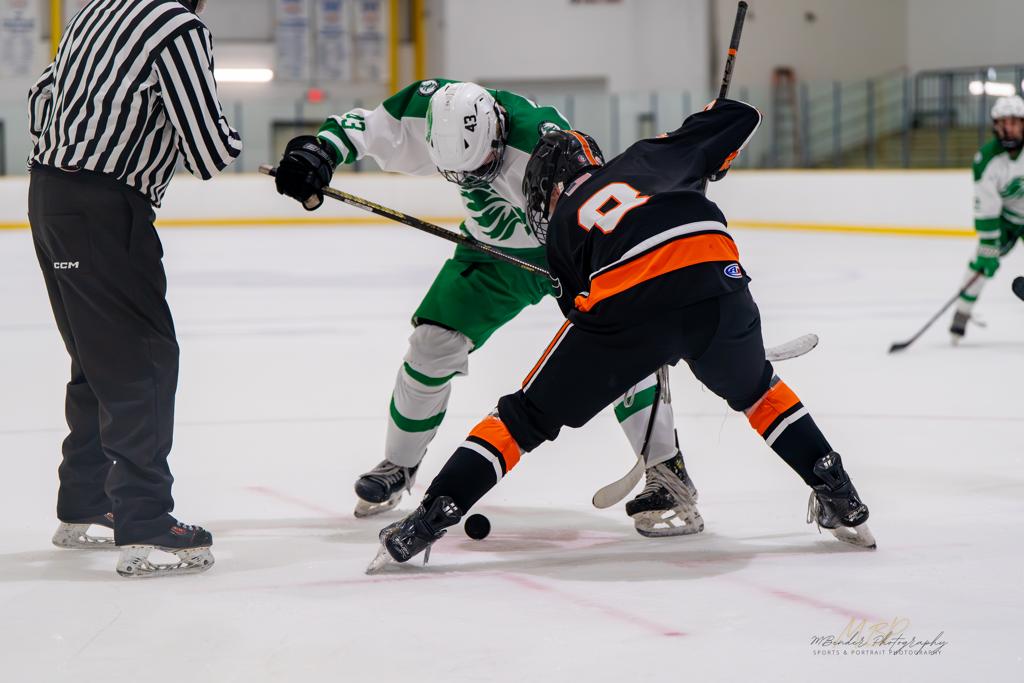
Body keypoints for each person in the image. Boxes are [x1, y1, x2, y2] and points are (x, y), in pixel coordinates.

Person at [369, 99, 876, 571]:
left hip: (630, 305)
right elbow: (739, 116)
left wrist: (643, 344)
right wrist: (710, 156)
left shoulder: (563, 227)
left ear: (547, 188)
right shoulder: (653, 153)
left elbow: (586, 313)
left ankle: (430, 516)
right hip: (719, 282)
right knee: (759, 391)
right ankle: (839, 491)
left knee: (523, 417)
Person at [274, 79, 702, 536]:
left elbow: (601, 205)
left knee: (622, 343)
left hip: (569, 250)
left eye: (481, 167)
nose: (471, 180)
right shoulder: (431, 110)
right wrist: (320, 152)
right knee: (431, 345)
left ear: (498, 131)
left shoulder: (544, 141)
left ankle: (667, 471)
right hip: (490, 255)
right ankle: (399, 465)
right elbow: (366, 127)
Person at [28, 0, 240, 577]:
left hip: (49, 196)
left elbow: (42, 96)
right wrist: (246, 149)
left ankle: (85, 501)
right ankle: (144, 518)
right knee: (144, 358)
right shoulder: (177, 25)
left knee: (97, 356)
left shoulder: (94, 10)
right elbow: (207, 149)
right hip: (106, 206)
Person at [950, 95, 1024, 343]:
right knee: (981, 264)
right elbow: (988, 206)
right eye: (1004, 123)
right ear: (996, 126)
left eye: (1015, 122)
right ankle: (962, 313)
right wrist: (989, 246)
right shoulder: (987, 160)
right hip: (1005, 220)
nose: (1009, 128)